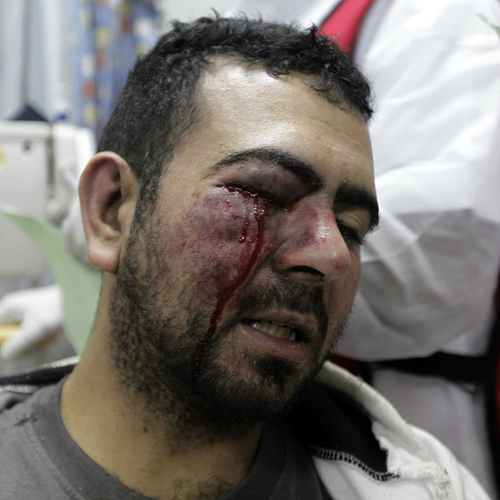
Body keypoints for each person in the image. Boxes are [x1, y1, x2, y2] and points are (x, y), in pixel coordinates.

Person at [0, 15, 490, 499]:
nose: (332, 255)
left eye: (350, 228)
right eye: (265, 195)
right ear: (111, 210)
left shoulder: (435, 488)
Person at [227, 0, 500, 496]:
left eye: (348, 229)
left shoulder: (445, 20)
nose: (327, 254)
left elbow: (434, 257)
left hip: (412, 410)